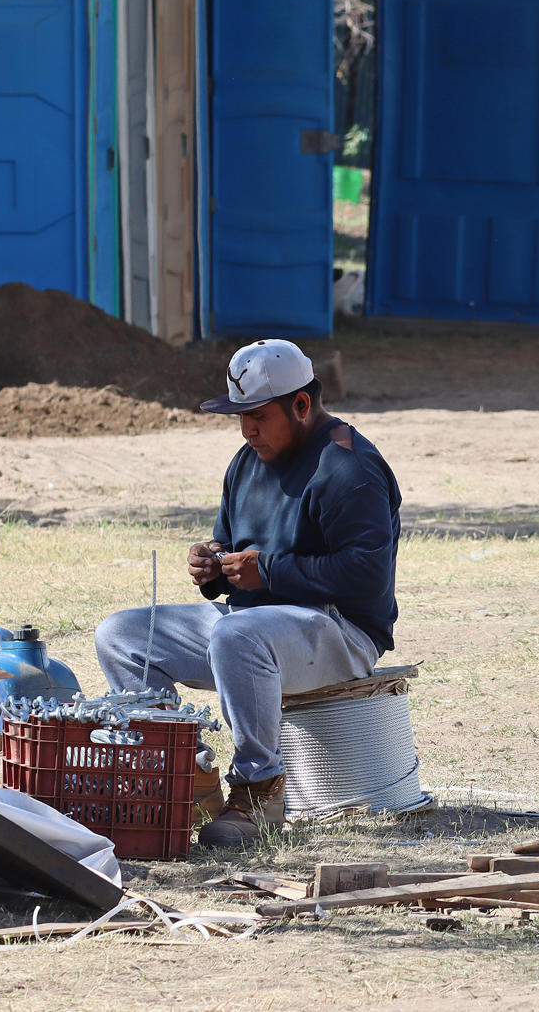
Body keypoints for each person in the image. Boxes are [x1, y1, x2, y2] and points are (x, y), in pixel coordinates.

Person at [95, 339, 401, 847]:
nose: (247, 429)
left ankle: (259, 790)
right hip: (252, 624)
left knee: (238, 634)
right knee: (123, 635)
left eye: (258, 415)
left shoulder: (350, 467)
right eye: (240, 417)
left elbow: (367, 574)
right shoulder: (247, 460)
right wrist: (212, 566)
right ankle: (182, 777)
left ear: (301, 405)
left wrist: (270, 571)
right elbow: (235, 551)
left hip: (339, 632)